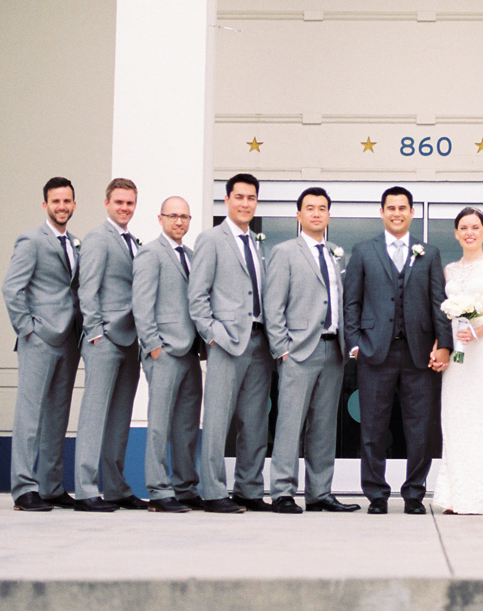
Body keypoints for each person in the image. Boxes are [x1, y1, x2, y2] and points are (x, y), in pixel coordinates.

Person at [342, 185, 452, 515]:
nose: (397, 213)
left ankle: (414, 494)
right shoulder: (363, 250)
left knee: (419, 428)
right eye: (390, 208)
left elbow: (439, 303)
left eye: (402, 208)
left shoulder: (428, 253)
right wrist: (355, 344)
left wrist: (444, 343)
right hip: (375, 352)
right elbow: (352, 303)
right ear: (381, 212)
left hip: (418, 354)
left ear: (412, 212)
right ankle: (376, 494)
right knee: (373, 427)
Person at [263, 187, 360, 514]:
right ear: (299, 215)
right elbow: (273, 305)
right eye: (310, 208)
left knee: (323, 427)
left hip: (333, 352)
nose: (317, 213)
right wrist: (281, 350)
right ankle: (282, 492)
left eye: (322, 208)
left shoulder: (335, 252)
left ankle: (320, 492)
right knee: (290, 424)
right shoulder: (284, 251)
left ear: (329, 215)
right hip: (298, 352)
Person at [188, 172, 274, 513]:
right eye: (239, 197)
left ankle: (249, 489)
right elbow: (197, 297)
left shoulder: (257, 243)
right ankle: (212, 492)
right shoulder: (211, 239)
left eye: (251, 198)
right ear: (227, 200)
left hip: (258, 343)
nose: (245, 203)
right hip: (226, 343)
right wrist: (212, 335)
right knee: (217, 420)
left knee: (254, 422)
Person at [1, 176, 82, 512]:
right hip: (39, 340)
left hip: (68, 340)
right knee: (30, 415)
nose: (61, 207)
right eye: (56, 201)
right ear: (45, 204)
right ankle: (23, 488)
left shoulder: (77, 242)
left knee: (57, 417)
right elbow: (11, 288)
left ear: (74, 204)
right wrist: (28, 329)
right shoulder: (31, 241)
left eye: (67, 201)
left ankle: (51, 485)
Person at [73, 178, 145, 511]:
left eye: (129, 203)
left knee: (120, 417)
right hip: (104, 340)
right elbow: (87, 289)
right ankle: (86, 489)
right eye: (119, 202)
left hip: (130, 341)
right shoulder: (97, 239)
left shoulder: (134, 242)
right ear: (106, 203)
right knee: (94, 415)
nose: (125, 208)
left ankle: (115, 487)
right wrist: (95, 332)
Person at [433, 207, 483, 515]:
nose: (469, 232)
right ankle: (456, 496)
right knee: (455, 418)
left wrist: (477, 332)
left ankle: (482, 497)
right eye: (464, 228)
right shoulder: (449, 270)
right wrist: (440, 345)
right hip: (457, 353)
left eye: (475, 227)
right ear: (456, 233)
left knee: (482, 417)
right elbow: (442, 314)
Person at [131, 195, 203, 513]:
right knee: (160, 423)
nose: (179, 222)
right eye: (173, 216)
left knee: (187, 425)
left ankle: (185, 487)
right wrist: (153, 346)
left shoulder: (191, 255)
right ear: (160, 219)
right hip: (165, 352)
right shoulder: (150, 253)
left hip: (190, 353)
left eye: (184, 217)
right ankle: (159, 491)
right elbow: (142, 304)